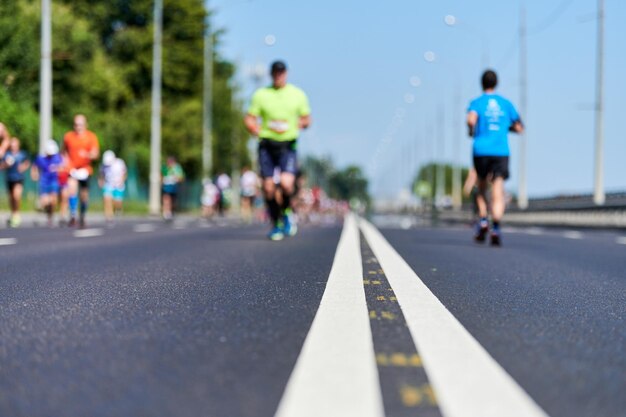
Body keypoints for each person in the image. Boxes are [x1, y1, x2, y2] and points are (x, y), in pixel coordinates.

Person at [244, 60, 311, 241]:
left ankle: (287, 211)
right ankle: (276, 223)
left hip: (288, 145)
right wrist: (254, 128)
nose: (278, 76)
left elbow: (307, 119)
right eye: (275, 73)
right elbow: (250, 118)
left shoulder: (297, 94)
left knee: (287, 183)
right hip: (267, 144)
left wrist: (300, 124)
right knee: (268, 188)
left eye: (281, 73)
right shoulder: (261, 95)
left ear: (286, 74)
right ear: (271, 74)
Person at [467, 70, 523, 246]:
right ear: (496, 83)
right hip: (501, 151)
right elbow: (519, 127)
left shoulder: (477, 102)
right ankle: (496, 226)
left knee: (482, 187)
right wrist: (506, 128)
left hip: (481, 149)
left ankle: (483, 219)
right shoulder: (506, 104)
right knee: (498, 189)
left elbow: (470, 120)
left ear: (481, 83)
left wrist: (471, 132)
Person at [63, 114, 100, 228]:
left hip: (85, 170)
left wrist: (87, 154)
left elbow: (96, 153)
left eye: (80, 125)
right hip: (72, 169)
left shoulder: (91, 137)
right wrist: (66, 162)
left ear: (85, 125)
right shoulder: (68, 136)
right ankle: (73, 215)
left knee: (84, 195)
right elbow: (64, 151)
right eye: (76, 124)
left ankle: (82, 215)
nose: (78, 127)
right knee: (71, 189)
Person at [31, 140, 63, 227]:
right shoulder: (41, 158)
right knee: (45, 201)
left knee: (53, 201)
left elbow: (63, 167)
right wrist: (34, 174)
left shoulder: (58, 158)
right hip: (44, 182)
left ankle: (50, 218)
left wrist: (57, 168)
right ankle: (40, 209)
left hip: (54, 181)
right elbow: (34, 166)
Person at [1, 137, 30, 227]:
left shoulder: (22, 154)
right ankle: (13, 214)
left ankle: (17, 214)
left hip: (18, 178)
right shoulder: (7, 155)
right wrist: (6, 164)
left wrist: (23, 167)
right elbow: (1, 166)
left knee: (16, 196)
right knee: (11, 198)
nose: (13, 147)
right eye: (12, 145)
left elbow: (27, 162)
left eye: (15, 145)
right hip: (9, 178)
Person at [99, 150, 127, 225]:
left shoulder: (120, 163)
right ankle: (109, 216)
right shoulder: (103, 165)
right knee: (107, 199)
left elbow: (124, 173)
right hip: (108, 184)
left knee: (117, 202)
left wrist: (122, 181)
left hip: (118, 184)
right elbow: (101, 175)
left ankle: (118, 210)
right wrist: (101, 182)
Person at [161, 156, 184, 220]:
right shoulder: (165, 168)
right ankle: (166, 212)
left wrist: (176, 179)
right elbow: (161, 175)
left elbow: (181, 178)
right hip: (166, 187)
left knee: (172, 201)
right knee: (166, 199)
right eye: (168, 162)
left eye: (171, 162)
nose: (170, 163)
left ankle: (171, 211)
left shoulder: (177, 168)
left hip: (174, 187)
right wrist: (162, 181)